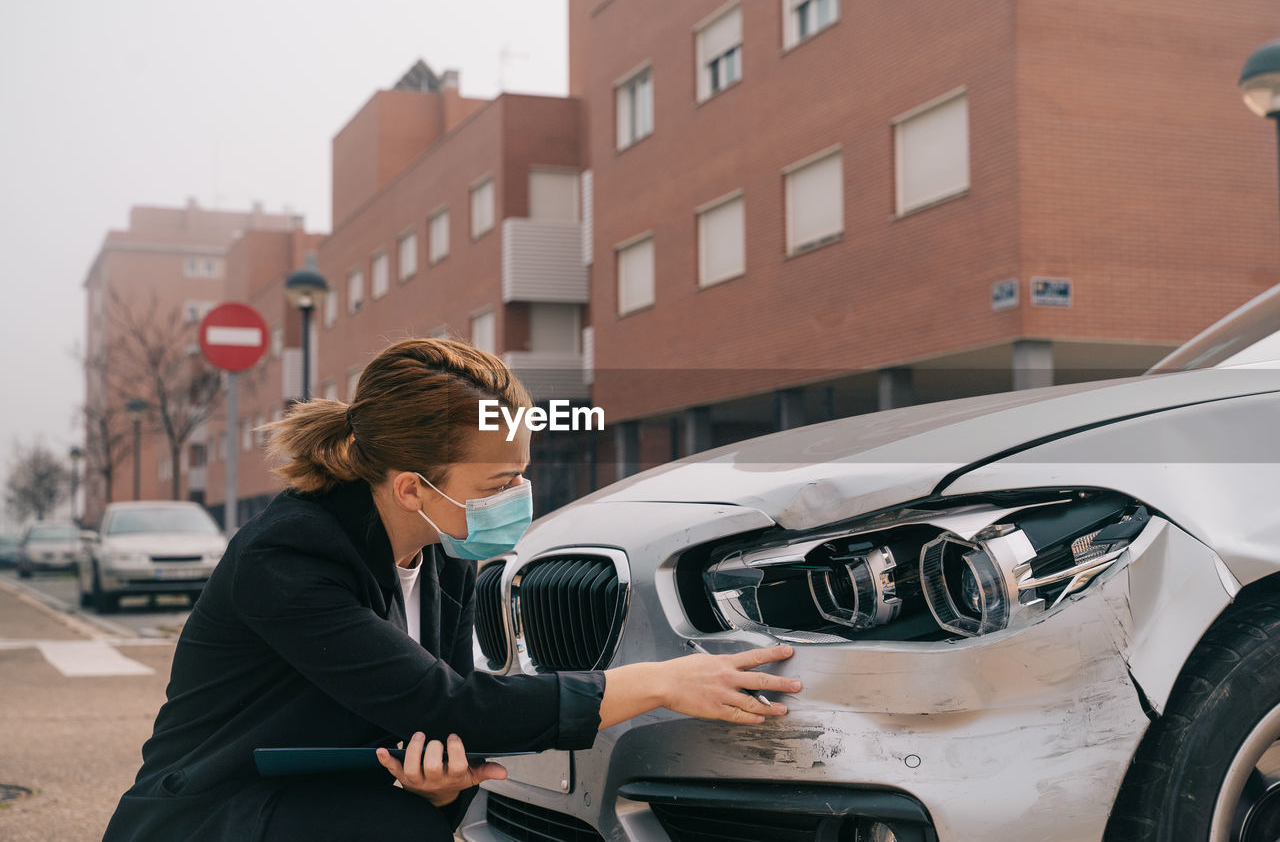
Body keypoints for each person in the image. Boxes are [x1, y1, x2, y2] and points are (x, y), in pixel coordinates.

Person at [102, 338, 801, 841]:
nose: (520, 497)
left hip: (315, 799)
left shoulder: (440, 555)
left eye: (522, 474)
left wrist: (435, 775)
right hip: (209, 815)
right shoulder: (289, 555)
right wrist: (657, 682)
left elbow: (431, 718)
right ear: (412, 487)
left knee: (409, 819)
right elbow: (446, 700)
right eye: (499, 483)